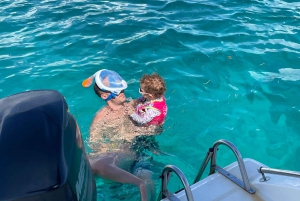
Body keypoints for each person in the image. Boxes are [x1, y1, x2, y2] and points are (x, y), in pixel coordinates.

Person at [82, 69, 160, 201]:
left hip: (139, 153)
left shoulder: (135, 105)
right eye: (118, 90)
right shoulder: (100, 119)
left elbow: (156, 122)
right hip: (119, 160)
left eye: (122, 89)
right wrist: (110, 155)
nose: (122, 92)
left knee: (148, 183)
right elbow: (95, 144)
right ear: (105, 96)